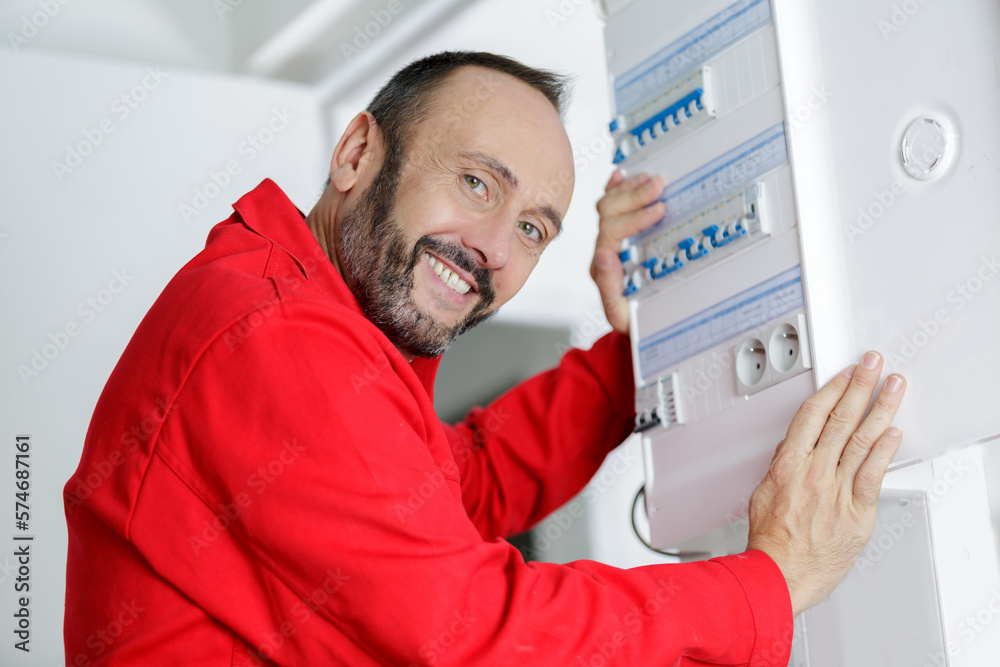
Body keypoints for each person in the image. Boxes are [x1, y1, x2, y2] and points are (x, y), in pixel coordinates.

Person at [63, 51, 906, 666]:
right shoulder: (272, 333)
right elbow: (467, 628)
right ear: (358, 154)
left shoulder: (304, 314)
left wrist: (638, 352)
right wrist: (771, 583)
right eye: (477, 182)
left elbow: (461, 488)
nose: (495, 249)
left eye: (535, 227)